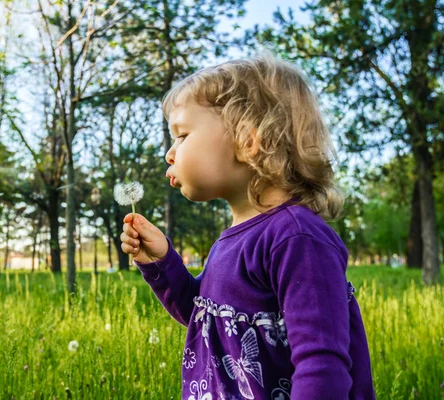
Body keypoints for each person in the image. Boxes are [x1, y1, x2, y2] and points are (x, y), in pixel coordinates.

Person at [120, 51, 376, 400]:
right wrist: (161, 261)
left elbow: (321, 366)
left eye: (181, 135)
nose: (169, 152)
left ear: (249, 142)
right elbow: (207, 320)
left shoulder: (297, 238)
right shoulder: (234, 239)